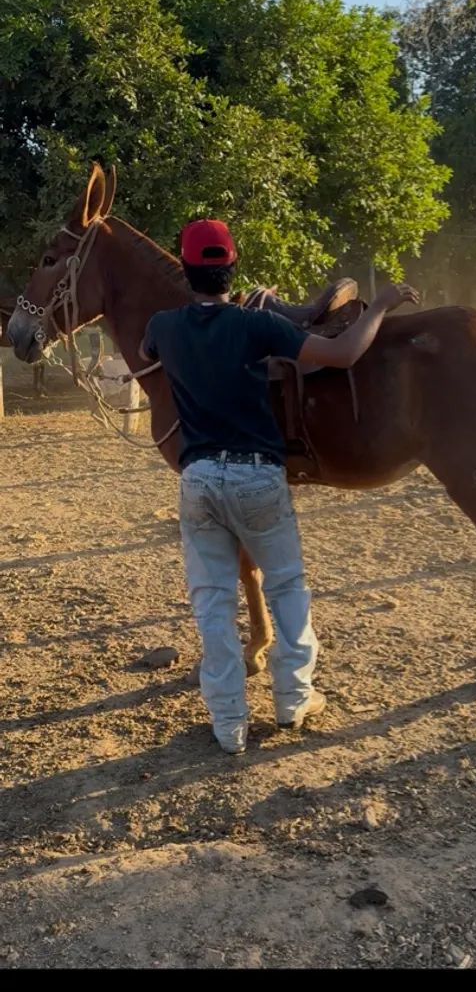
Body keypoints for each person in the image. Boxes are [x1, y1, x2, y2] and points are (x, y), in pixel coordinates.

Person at [141, 219, 419, 754]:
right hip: (257, 476)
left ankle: (228, 726)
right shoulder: (256, 328)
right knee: (287, 587)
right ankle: (293, 702)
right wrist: (381, 304)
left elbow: (147, 348)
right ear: (233, 265)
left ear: (186, 268)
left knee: (212, 601)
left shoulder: (164, 326)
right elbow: (343, 356)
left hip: (198, 479)